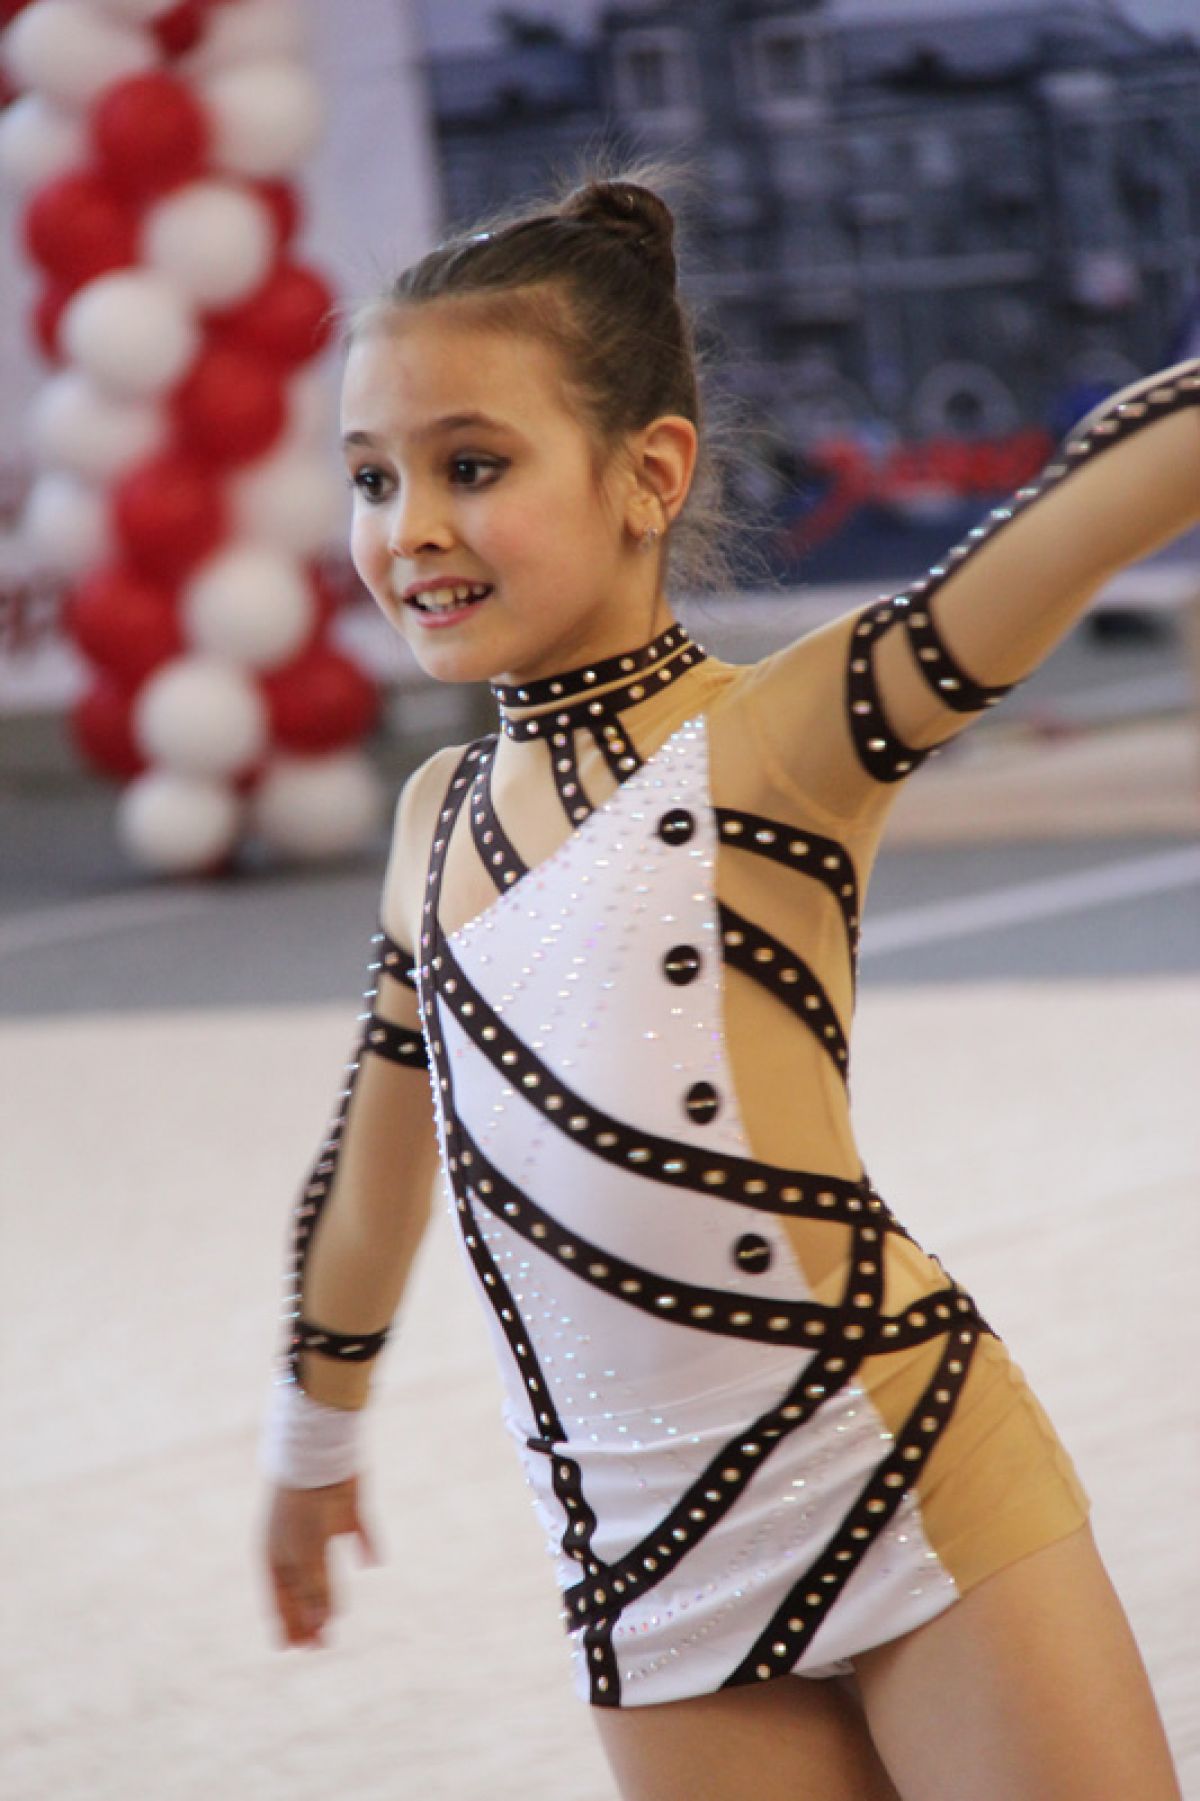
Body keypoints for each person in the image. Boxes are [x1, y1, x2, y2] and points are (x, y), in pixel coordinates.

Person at [259, 171, 1192, 1801]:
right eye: (371, 476)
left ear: (651, 473)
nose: (409, 529)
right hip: (644, 1566)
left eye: (472, 466)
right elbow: (375, 1166)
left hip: (899, 1472)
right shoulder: (431, 822)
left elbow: (1092, 496)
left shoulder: (774, 738)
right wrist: (311, 1433)